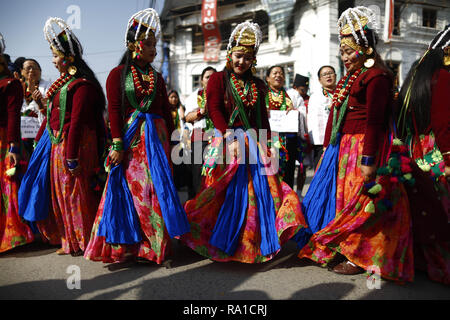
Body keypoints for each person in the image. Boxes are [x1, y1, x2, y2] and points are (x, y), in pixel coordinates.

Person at [293, 6, 414, 283]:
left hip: (364, 148)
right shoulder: (352, 77)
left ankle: (359, 255)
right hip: (346, 148)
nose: (345, 57)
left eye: (350, 51)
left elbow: (374, 122)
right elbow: (337, 115)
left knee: (363, 204)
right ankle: (346, 247)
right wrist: (327, 149)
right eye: (343, 52)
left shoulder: (378, 77)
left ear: (367, 48)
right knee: (346, 201)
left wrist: (369, 159)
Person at [180, 22, 306, 263]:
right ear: (230, 54)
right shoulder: (217, 79)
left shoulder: (258, 85)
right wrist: (228, 137)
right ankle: (211, 237)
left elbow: (262, 119)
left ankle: (250, 241)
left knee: (258, 194)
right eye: (239, 56)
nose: (242, 62)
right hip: (226, 140)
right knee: (220, 192)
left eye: (248, 58)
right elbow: (215, 109)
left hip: (253, 143)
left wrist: (269, 144)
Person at [84, 8, 190, 266]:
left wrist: (174, 141)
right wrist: (117, 143)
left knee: (159, 190)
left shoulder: (157, 77)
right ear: (134, 46)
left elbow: (166, 111)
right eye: (149, 44)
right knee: (137, 192)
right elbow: (116, 111)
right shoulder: (117, 74)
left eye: (155, 44)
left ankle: (157, 247)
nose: (154, 49)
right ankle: (133, 245)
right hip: (133, 143)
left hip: (159, 141)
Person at [18, 18, 106, 256]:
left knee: (76, 192)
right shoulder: (64, 85)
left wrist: (72, 156)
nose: (53, 61)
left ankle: (84, 240)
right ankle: (70, 240)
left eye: (55, 56)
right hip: (60, 144)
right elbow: (53, 116)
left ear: (68, 57)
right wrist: (40, 133)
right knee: (62, 193)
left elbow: (75, 122)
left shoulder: (82, 86)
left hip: (75, 146)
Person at [396, 25, 450, 285]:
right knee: (439, 209)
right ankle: (438, 265)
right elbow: (443, 123)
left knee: (419, 207)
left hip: (413, 148)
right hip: (435, 151)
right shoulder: (443, 76)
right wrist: (448, 159)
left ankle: (417, 260)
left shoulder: (416, 73)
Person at [0, 33, 34, 253]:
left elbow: (13, 115)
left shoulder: (11, 84)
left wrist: (13, 146)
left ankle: (15, 235)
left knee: (8, 185)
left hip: (5, 141)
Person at [184, 66, 216, 195]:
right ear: (202, 81)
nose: (211, 79)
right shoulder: (194, 96)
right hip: (199, 137)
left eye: (214, 77)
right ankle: (197, 205)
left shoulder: (223, 95)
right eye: (207, 77)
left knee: (216, 173)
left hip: (218, 137)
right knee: (198, 174)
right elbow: (188, 117)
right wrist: (202, 111)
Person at [265, 65, 297, 188]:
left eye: (281, 73)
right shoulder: (262, 95)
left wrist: (293, 111)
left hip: (287, 139)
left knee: (288, 172)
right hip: (268, 140)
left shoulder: (289, 95)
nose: (278, 75)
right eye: (275, 73)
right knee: (269, 173)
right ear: (267, 78)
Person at [20, 58, 51, 157]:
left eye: (35, 68)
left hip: (41, 132)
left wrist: (37, 97)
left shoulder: (49, 86)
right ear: (22, 71)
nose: (32, 71)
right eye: (28, 68)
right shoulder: (18, 87)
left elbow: (49, 107)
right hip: (21, 135)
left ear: (40, 71)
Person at [307, 65, 336, 169]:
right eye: (324, 74)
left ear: (335, 76)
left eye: (330, 73)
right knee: (321, 170)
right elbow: (312, 120)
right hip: (321, 141)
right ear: (319, 80)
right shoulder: (315, 97)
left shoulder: (342, 93)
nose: (328, 76)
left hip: (340, 138)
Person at [168, 89, 195, 198]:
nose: (174, 99)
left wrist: (180, 109)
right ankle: (175, 184)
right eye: (171, 97)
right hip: (171, 138)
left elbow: (184, 119)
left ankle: (184, 184)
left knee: (184, 161)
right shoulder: (165, 110)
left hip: (182, 138)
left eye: (175, 97)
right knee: (173, 162)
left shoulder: (181, 109)